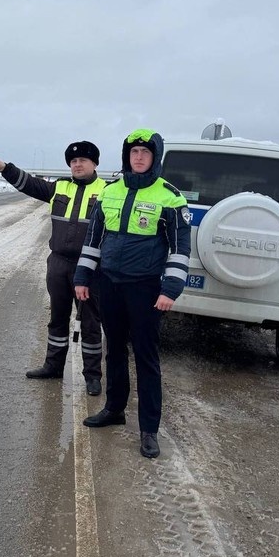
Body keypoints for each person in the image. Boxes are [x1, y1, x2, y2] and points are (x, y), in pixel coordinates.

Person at [73, 128, 191, 458]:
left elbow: (181, 250)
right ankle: (114, 409)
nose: (138, 157)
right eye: (133, 152)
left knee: (146, 357)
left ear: (155, 157)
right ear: (127, 156)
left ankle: (149, 429)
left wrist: (170, 289)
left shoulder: (170, 197)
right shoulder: (109, 192)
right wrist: (82, 276)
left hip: (146, 288)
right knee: (114, 351)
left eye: (145, 152)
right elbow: (93, 240)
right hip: (109, 284)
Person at [0, 142, 107, 396]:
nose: (77, 164)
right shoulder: (59, 187)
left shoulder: (107, 191)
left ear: (95, 164)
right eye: (74, 161)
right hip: (58, 264)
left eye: (83, 160)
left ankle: (93, 376)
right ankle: (53, 366)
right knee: (57, 318)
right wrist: (6, 168)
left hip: (90, 268)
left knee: (90, 322)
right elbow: (30, 184)